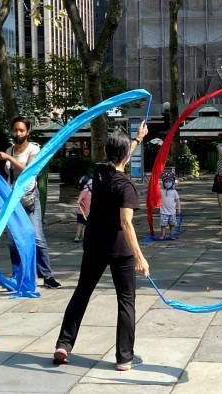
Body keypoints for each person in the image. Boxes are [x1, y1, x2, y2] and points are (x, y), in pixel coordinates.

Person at [53, 124, 150, 371]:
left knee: (82, 293)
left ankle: (63, 344)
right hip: (119, 250)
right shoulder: (126, 186)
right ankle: (124, 357)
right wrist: (140, 257)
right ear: (127, 155)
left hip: (94, 244)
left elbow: (119, 158)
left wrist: (137, 139)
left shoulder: (99, 172)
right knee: (126, 301)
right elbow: (125, 223)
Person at [0, 115, 61, 289]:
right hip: (12, 201)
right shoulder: (9, 150)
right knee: (12, 239)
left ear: (28, 131)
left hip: (30, 199)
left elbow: (29, 171)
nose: (18, 133)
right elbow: (8, 175)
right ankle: (17, 274)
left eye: (21, 130)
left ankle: (47, 276)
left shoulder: (34, 149)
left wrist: (9, 159)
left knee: (37, 237)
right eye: (15, 130)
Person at [159, 172, 181, 240]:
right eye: (166, 181)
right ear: (163, 182)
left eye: (169, 181)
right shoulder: (161, 191)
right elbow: (156, 197)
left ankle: (172, 235)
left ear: (172, 182)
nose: (167, 183)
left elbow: (177, 200)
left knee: (172, 224)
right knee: (163, 225)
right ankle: (163, 235)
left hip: (172, 212)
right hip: (163, 211)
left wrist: (179, 209)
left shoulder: (174, 191)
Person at [74, 175, 92, 242]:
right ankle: (77, 236)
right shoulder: (84, 192)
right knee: (80, 225)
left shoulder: (90, 192)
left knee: (85, 225)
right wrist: (80, 204)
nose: (92, 185)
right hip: (82, 213)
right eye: (90, 184)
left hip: (88, 213)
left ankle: (84, 237)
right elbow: (78, 201)